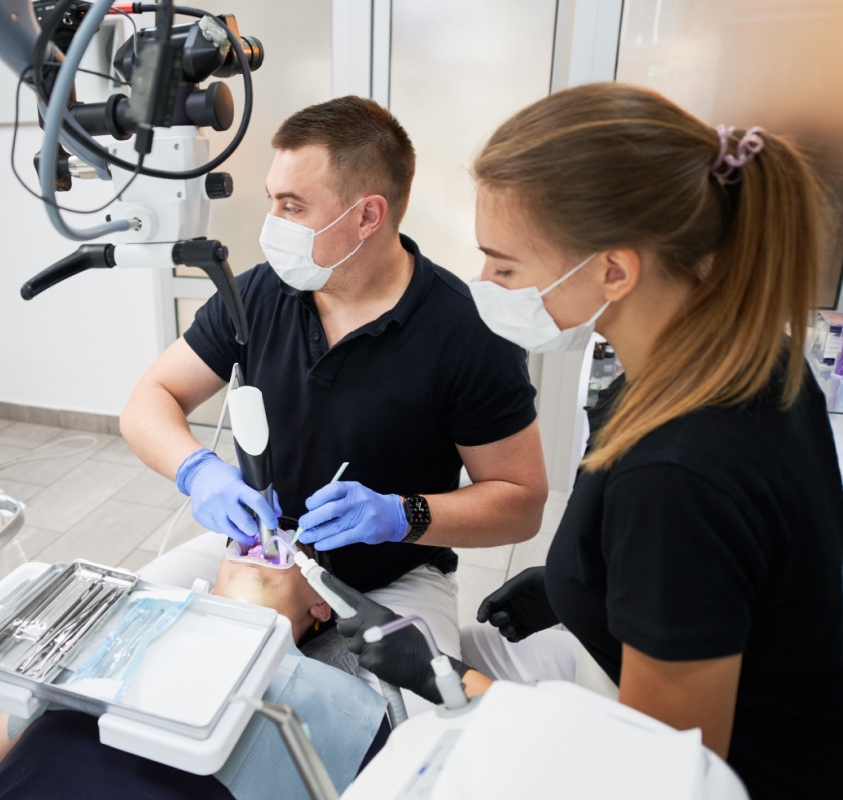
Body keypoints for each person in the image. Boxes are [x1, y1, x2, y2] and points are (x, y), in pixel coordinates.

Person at [332, 82, 843, 799]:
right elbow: (724, 585)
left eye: (505, 265)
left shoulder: (679, 474)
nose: (482, 281)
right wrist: (570, 590)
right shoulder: (725, 356)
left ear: (614, 269)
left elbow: (659, 770)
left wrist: (467, 686)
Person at [121, 96, 548, 694]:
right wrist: (197, 471)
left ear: (367, 215)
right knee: (121, 648)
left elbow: (522, 501)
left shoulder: (468, 333)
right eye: (273, 199)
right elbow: (150, 399)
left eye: (292, 206)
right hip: (265, 548)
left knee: (403, 744)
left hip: (397, 575)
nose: (271, 222)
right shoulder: (261, 295)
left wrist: (401, 515)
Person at [0, 541, 389, 800]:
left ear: (322, 606)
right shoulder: (100, 634)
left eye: (287, 539)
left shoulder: (351, 709)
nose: (263, 535)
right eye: (240, 535)